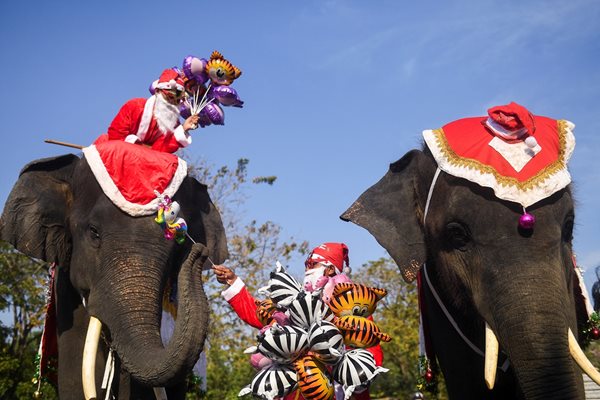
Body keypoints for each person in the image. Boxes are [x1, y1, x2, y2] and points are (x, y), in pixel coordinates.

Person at [213, 242, 384, 400]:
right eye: (306, 265)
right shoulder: (293, 303)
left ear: (330, 269)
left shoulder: (352, 309)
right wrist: (233, 282)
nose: (306, 270)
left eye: (311, 265)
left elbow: (372, 353)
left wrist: (356, 375)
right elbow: (256, 313)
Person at [97, 68, 200, 153]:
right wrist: (138, 147)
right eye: (169, 96)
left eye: (177, 100)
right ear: (158, 91)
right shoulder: (135, 106)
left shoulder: (173, 123)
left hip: (148, 162)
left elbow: (161, 151)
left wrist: (183, 129)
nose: (172, 101)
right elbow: (116, 135)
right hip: (120, 152)